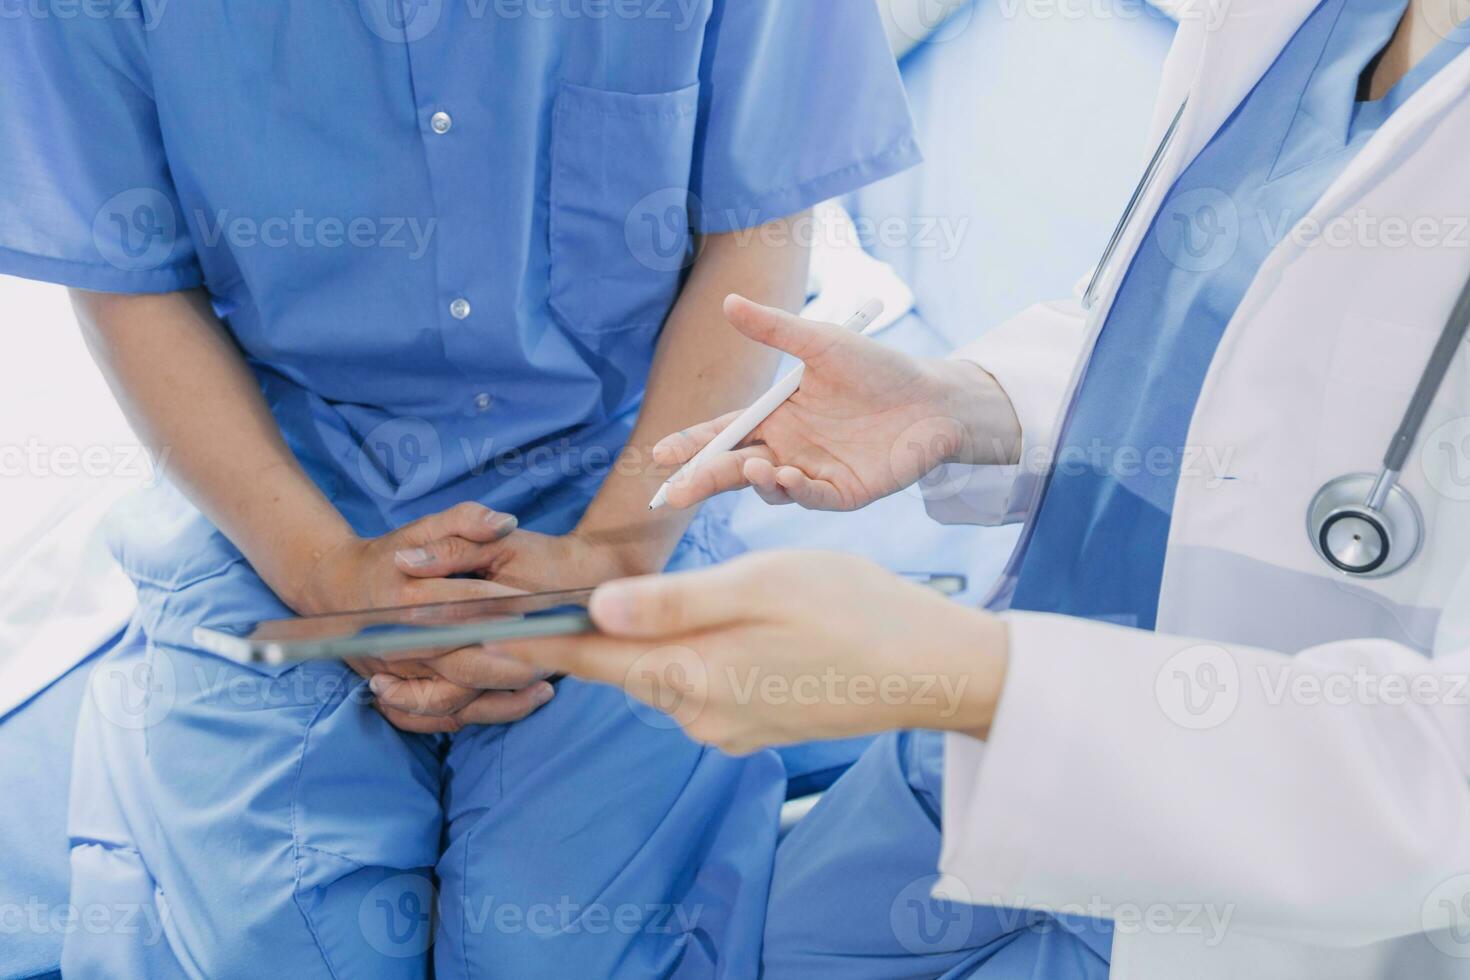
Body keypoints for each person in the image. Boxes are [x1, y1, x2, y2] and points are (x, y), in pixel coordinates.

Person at [498, 1, 1470, 976]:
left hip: (1241, 877)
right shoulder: (1285, 20)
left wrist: (965, 671)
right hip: (966, 758)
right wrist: (960, 401)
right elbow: (1189, 332)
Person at [0, 1, 922, 976]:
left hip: (625, 472)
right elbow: (132, 277)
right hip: (276, 484)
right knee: (272, 947)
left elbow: (760, 232)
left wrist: (615, 552)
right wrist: (321, 571)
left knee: (565, 951)